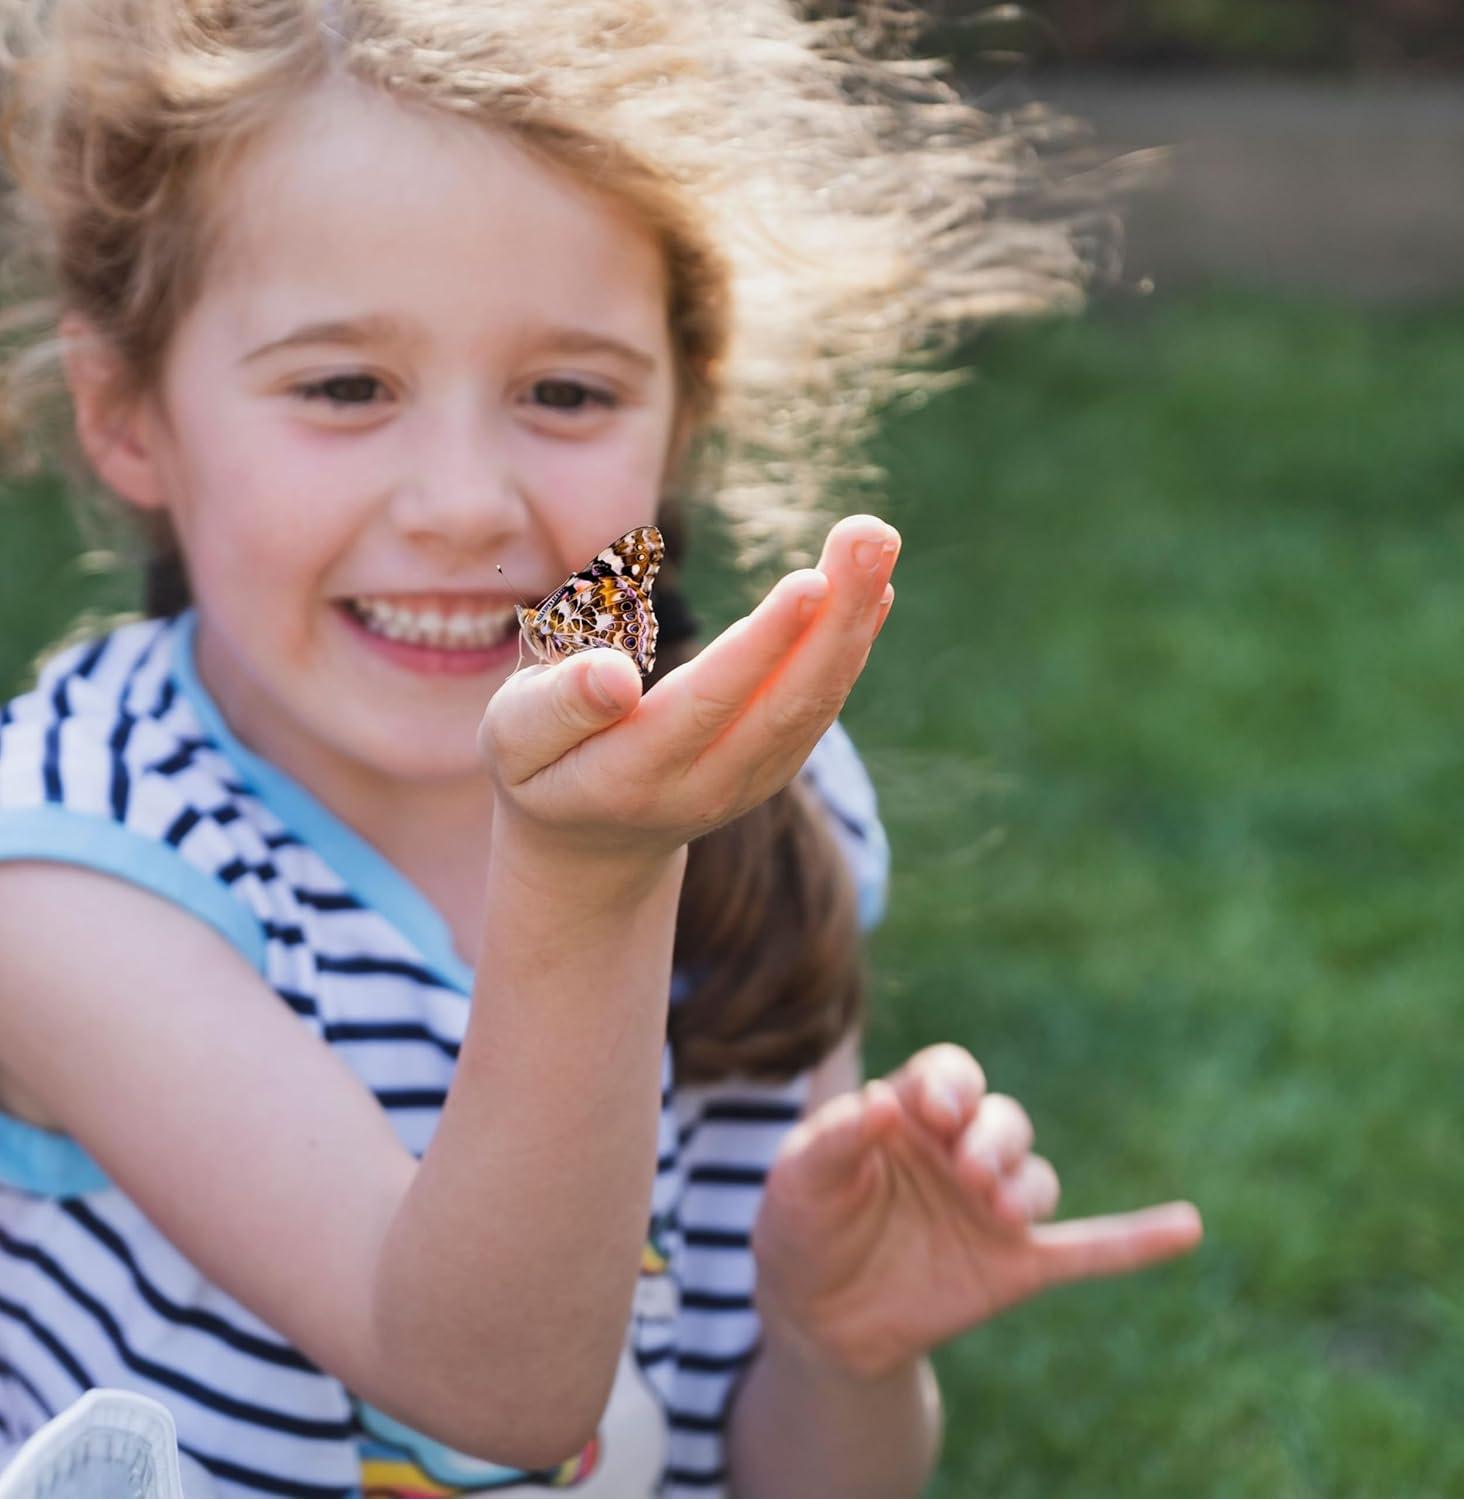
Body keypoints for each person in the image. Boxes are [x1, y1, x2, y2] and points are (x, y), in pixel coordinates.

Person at [0, 1, 1202, 1495]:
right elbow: (483, 1384)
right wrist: (591, 874)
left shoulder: (757, 791)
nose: (462, 504)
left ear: (679, 414)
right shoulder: (65, 861)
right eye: (343, 387)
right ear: (128, 414)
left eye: (564, 393)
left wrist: (839, 1347)